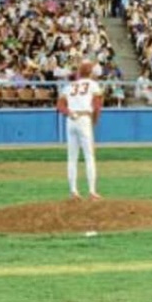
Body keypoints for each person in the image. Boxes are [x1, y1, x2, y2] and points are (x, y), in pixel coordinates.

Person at [56, 59, 104, 199]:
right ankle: (92, 191)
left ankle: (73, 191)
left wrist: (69, 112)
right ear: (90, 72)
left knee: (72, 157)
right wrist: (94, 121)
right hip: (84, 118)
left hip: (71, 120)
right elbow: (97, 106)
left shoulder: (70, 86)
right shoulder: (93, 85)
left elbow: (60, 106)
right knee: (89, 156)